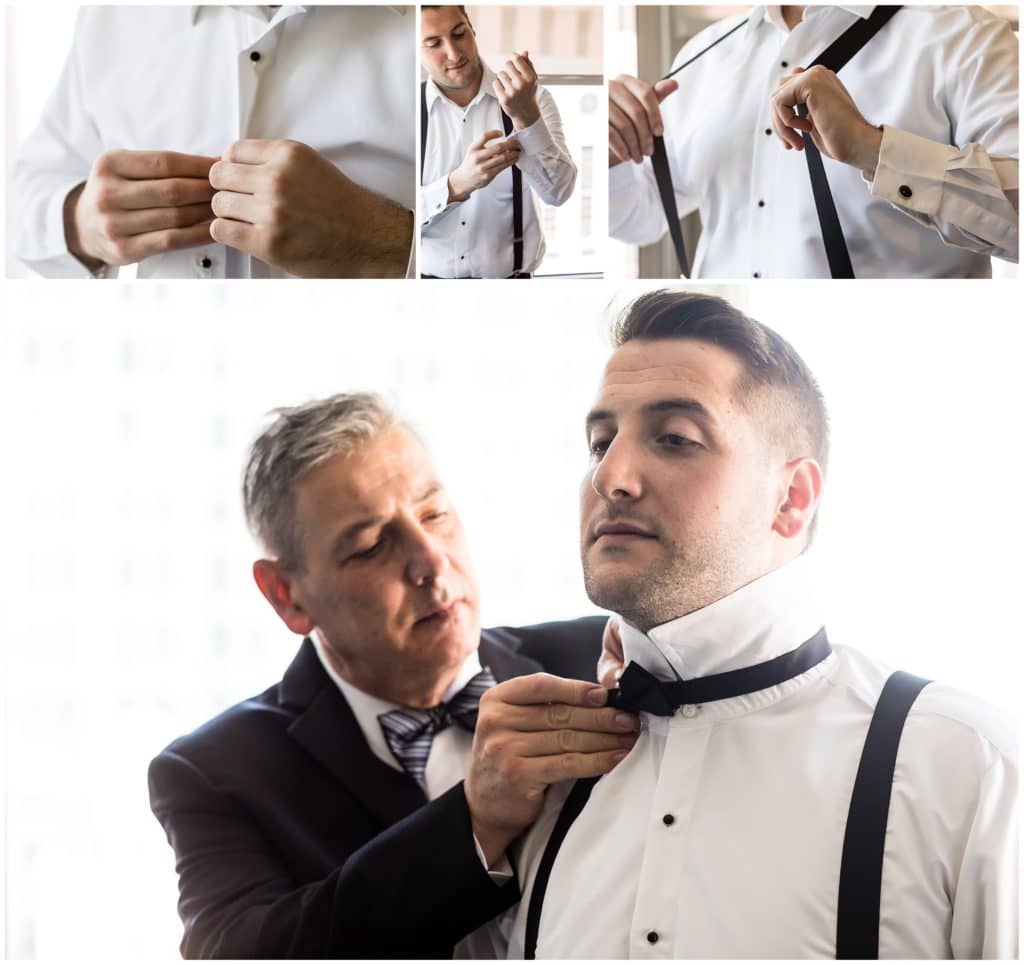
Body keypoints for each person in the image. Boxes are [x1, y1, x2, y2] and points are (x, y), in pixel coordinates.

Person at [474, 291, 1016, 957]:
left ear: (791, 498)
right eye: (599, 441)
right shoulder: (536, 787)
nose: (611, 475)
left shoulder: (964, 767)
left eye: (675, 438)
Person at [148, 393, 639, 958]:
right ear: (287, 596)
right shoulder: (213, 772)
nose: (430, 561)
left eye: (434, 514)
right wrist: (475, 819)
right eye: (371, 545)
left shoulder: (601, 656)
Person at [609, 5, 1019, 278]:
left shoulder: (967, 38)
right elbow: (641, 219)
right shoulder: (703, 56)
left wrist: (874, 150)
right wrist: (613, 152)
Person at [13, 6, 416, 279]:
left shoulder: (438, 30)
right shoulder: (113, 12)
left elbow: (478, 238)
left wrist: (380, 243)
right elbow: (27, 197)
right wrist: (79, 220)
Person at [419, 5, 577, 278]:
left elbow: (559, 193)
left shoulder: (534, 99)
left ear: (471, 26)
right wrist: (456, 185)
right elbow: (392, 218)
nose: (454, 53)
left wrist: (527, 118)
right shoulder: (404, 110)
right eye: (434, 43)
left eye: (459, 34)